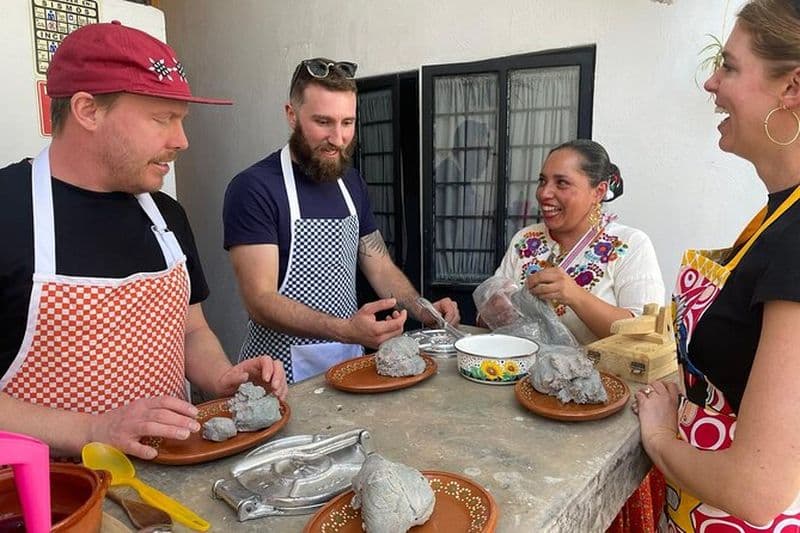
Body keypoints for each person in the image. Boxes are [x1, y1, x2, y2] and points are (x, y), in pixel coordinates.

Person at [0, 21, 287, 460]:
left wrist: (223, 377)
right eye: (162, 119)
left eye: (181, 120)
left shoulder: (166, 217)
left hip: (176, 476)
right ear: (88, 110)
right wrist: (94, 429)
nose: (182, 140)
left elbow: (190, 331)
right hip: (58, 503)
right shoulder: (8, 212)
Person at [635, 1, 800, 530]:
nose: (711, 83)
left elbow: (755, 489)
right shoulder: (778, 215)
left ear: (792, 89)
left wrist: (660, 437)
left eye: (728, 66)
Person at [223, 58, 459, 384]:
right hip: (279, 375)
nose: (338, 137)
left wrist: (423, 310)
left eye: (347, 122)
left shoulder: (351, 183)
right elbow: (259, 301)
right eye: (323, 122)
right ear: (292, 115)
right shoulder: (255, 188)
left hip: (348, 366)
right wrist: (345, 330)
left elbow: (379, 265)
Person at [489, 139, 665, 345]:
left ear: (598, 192)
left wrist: (576, 296)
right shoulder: (526, 240)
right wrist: (494, 310)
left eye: (561, 183)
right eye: (543, 181)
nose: (544, 193)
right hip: (519, 373)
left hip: (600, 377)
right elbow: (490, 319)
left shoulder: (630, 244)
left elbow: (644, 335)